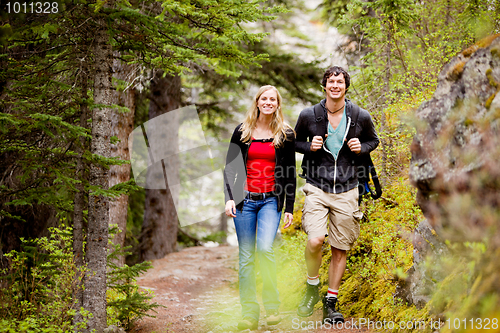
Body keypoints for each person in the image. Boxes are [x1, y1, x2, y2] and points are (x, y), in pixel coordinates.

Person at [294, 66, 379, 323]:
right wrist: (309, 146)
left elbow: (374, 141)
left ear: (346, 86)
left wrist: (361, 147)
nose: (335, 86)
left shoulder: (360, 115)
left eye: (339, 82)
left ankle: (331, 301)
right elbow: (294, 142)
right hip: (317, 186)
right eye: (331, 81)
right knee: (315, 240)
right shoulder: (309, 114)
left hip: (348, 188)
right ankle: (311, 287)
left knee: (340, 247)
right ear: (324, 85)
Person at [224, 85, 296, 330]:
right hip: (244, 201)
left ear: (277, 104)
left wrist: (289, 207)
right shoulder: (242, 132)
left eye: (272, 99)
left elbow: (290, 174)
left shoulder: (285, 134)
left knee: (264, 249)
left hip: (270, 201)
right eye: (263, 98)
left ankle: (272, 307)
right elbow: (231, 168)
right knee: (246, 257)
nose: (267, 102)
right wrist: (229, 197)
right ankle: (249, 314)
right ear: (257, 102)